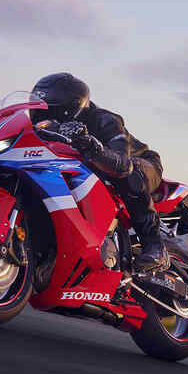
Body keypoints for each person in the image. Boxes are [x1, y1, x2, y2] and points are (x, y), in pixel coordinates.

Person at [31, 72, 169, 272]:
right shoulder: (45, 128)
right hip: (96, 169)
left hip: (144, 164)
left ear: (69, 109)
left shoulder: (105, 120)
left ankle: (155, 246)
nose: (43, 117)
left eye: (49, 110)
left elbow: (122, 164)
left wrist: (90, 145)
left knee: (129, 174)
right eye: (40, 109)